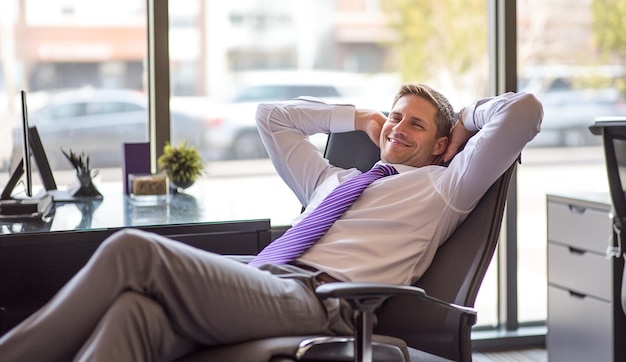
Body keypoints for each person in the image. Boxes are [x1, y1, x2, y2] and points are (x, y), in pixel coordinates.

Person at [0, 83, 542, 361]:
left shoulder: (445, 187)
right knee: (132, 315)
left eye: (417, 125)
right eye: (395, 116)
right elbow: (271, 117)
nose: (399, 127)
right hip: (266, 282)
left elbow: (524, 112)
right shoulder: (330, 179)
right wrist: (358, 118)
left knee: (133, 251)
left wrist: (464, 122)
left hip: (325, 303)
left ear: (442, 144)